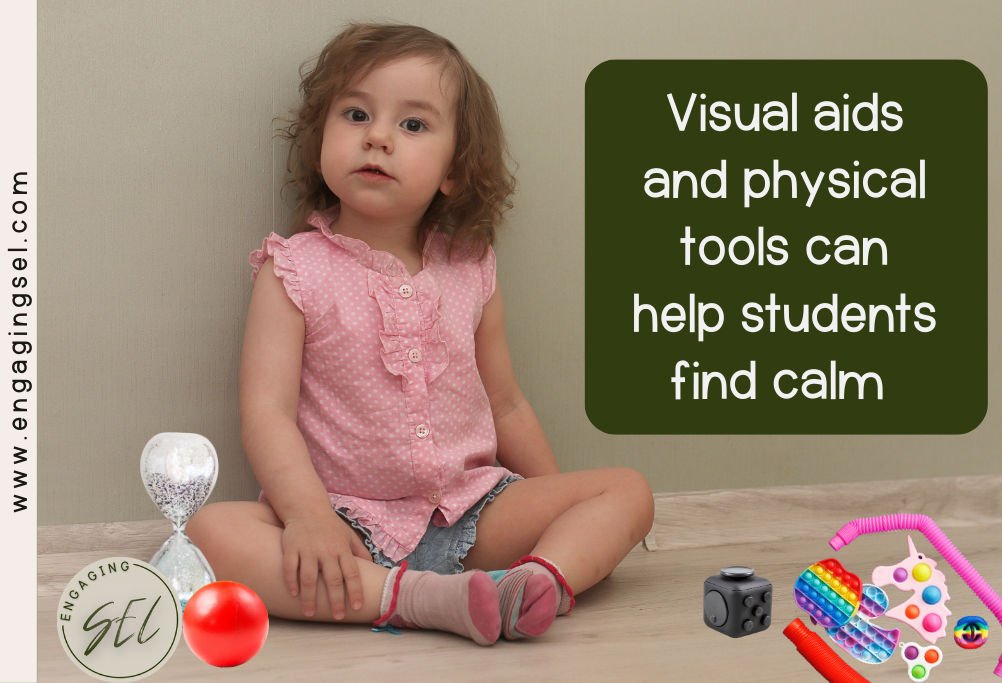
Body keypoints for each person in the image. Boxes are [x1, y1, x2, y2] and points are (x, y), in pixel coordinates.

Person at [186, 22, 654, 646]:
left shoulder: (470, 267)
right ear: (321, 136)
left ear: (454, 171)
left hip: (474, 508)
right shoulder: (295, 268)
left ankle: (537, 581)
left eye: (412, 125)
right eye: (356, 114)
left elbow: (506, 402)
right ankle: (420, 600)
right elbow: (265, 411)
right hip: (347, 521)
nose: (377, 136)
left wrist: (552, 508)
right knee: (211, 533)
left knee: (627, 490)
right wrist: (307, 518)